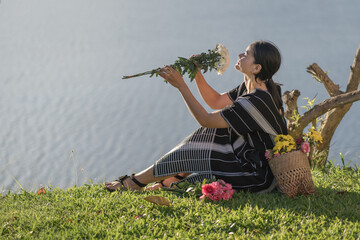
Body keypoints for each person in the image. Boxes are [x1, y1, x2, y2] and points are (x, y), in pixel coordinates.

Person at [105, 40, 288, 193]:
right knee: (210, 135)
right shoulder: (253, 86)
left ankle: (138, 182)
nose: (240, 55)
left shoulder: (256, 101)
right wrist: (197, 74)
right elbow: (215, 102)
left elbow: (206, 119)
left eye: (246, 54)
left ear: (256, 68)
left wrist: (182, 87)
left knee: (199, 178)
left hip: (258, 176)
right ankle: (151, 181)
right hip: (246, 157)